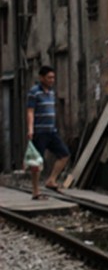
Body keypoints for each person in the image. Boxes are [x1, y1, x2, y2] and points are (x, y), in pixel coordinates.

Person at [26, 66, 71, 199]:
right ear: (41, 78)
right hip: (39, 132)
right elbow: (30, 111)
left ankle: (51, 180)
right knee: (37, 162)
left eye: (53, 77)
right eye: (49, 77)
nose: (52, 80)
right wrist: (30, 129)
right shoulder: (34, 92)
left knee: (64, 154)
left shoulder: (51, 92)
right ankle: (35, 191)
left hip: (51, 131)